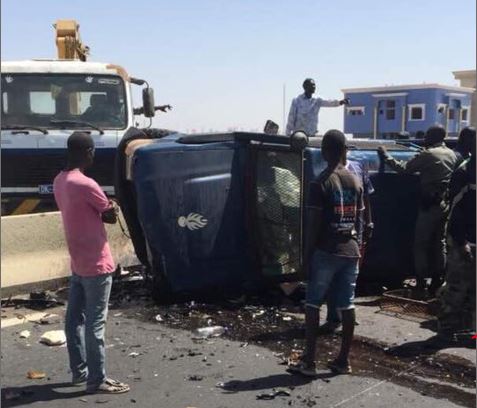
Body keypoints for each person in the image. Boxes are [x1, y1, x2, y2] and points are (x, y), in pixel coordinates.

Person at [53, 132, 130, 394]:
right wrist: (113, 207)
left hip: (77, 262)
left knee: (74, 319)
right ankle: (97, 380)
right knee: (95, 325)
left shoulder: (59, 181)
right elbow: (108, 216)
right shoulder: (86, 183)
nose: (94, 155)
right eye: (93, 151)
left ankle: (79, 372)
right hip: (97, 263)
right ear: (87, 152)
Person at [289, 129, 363, 376]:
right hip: (350, 250)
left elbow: (313, 224)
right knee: (347, 305)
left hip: (325, 250)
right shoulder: (355, 180)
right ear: (344, 150)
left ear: (324, 152)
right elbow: (360, 219)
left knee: (313, 304)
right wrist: (359, 248)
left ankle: (309, 362)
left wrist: (305, 257)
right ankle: (343, 361)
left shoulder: (319, 182)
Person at [377, 126, 458, 294]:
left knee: (420, 244)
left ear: (433, 136)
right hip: (444, 204)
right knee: (439, 244)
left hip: (429, 206)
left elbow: (403, 168)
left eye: (427, 135)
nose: (424, 137)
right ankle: (438, 279)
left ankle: (421, 282)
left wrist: (385, 155)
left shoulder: (428, 154)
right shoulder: (451, 154)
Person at [320, 155, 374, 334]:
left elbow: (366, 197)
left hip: (354, 230)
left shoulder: (358, 168)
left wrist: (369, 222)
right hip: (335, 231)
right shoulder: (328, 174)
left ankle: (346, 313)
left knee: (350, 276)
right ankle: (334, 317)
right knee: (334, 276)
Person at [437, 127, 476, 336]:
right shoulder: (464, 172)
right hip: (463, 241)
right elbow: (455, 211)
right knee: (456, 288)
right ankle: (446, 330)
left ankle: (468, 331)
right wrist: (461, 243)